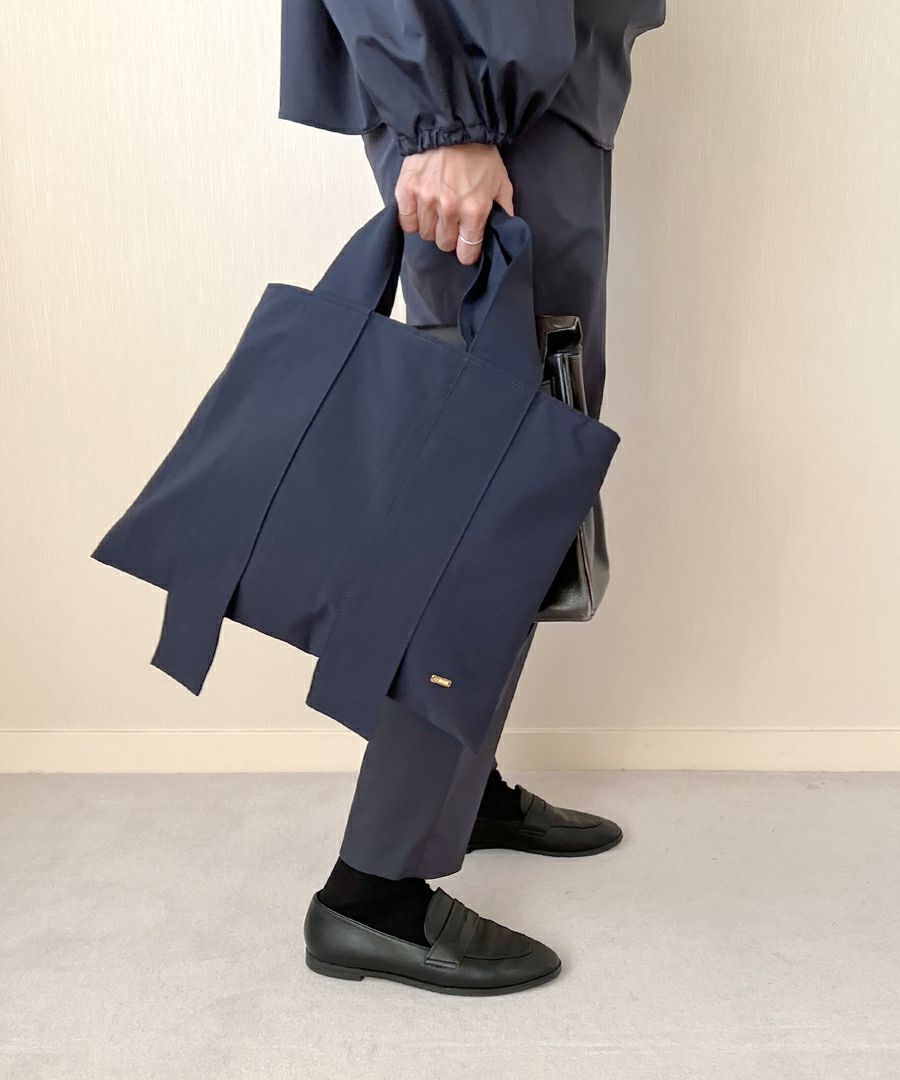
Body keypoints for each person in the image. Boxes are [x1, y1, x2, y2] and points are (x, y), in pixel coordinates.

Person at [280, 0, 665, 995]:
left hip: (533, 92)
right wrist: (445, 119)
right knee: (487, 479)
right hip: (481, 97)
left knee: (531, 453)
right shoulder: (465, 109)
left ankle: (461, 783)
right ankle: (372, 888)